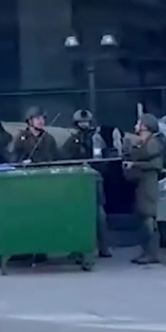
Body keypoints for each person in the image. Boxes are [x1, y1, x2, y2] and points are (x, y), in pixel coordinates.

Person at [62, 109, 112, 258]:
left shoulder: (96, 138)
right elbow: (64, 157)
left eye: (86, 122)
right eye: (81, 122)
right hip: (79, 179)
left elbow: (101, 160)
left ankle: (103, 246)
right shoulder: (72, 139)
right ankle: (79, 248)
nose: (84, 125)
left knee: (99, 213)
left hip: (94, 177)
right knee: (79, 213)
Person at [124, 113, 166, 265]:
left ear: (145, 126)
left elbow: (156, 164)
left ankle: (152, 253)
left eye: (139, 123)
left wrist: (135, 165)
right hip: (142, 184)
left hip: (149, 185)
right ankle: (146, 252)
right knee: (143, 217)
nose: (136, 126)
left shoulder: (153, 143)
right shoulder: (144, 142)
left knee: (148, 218)